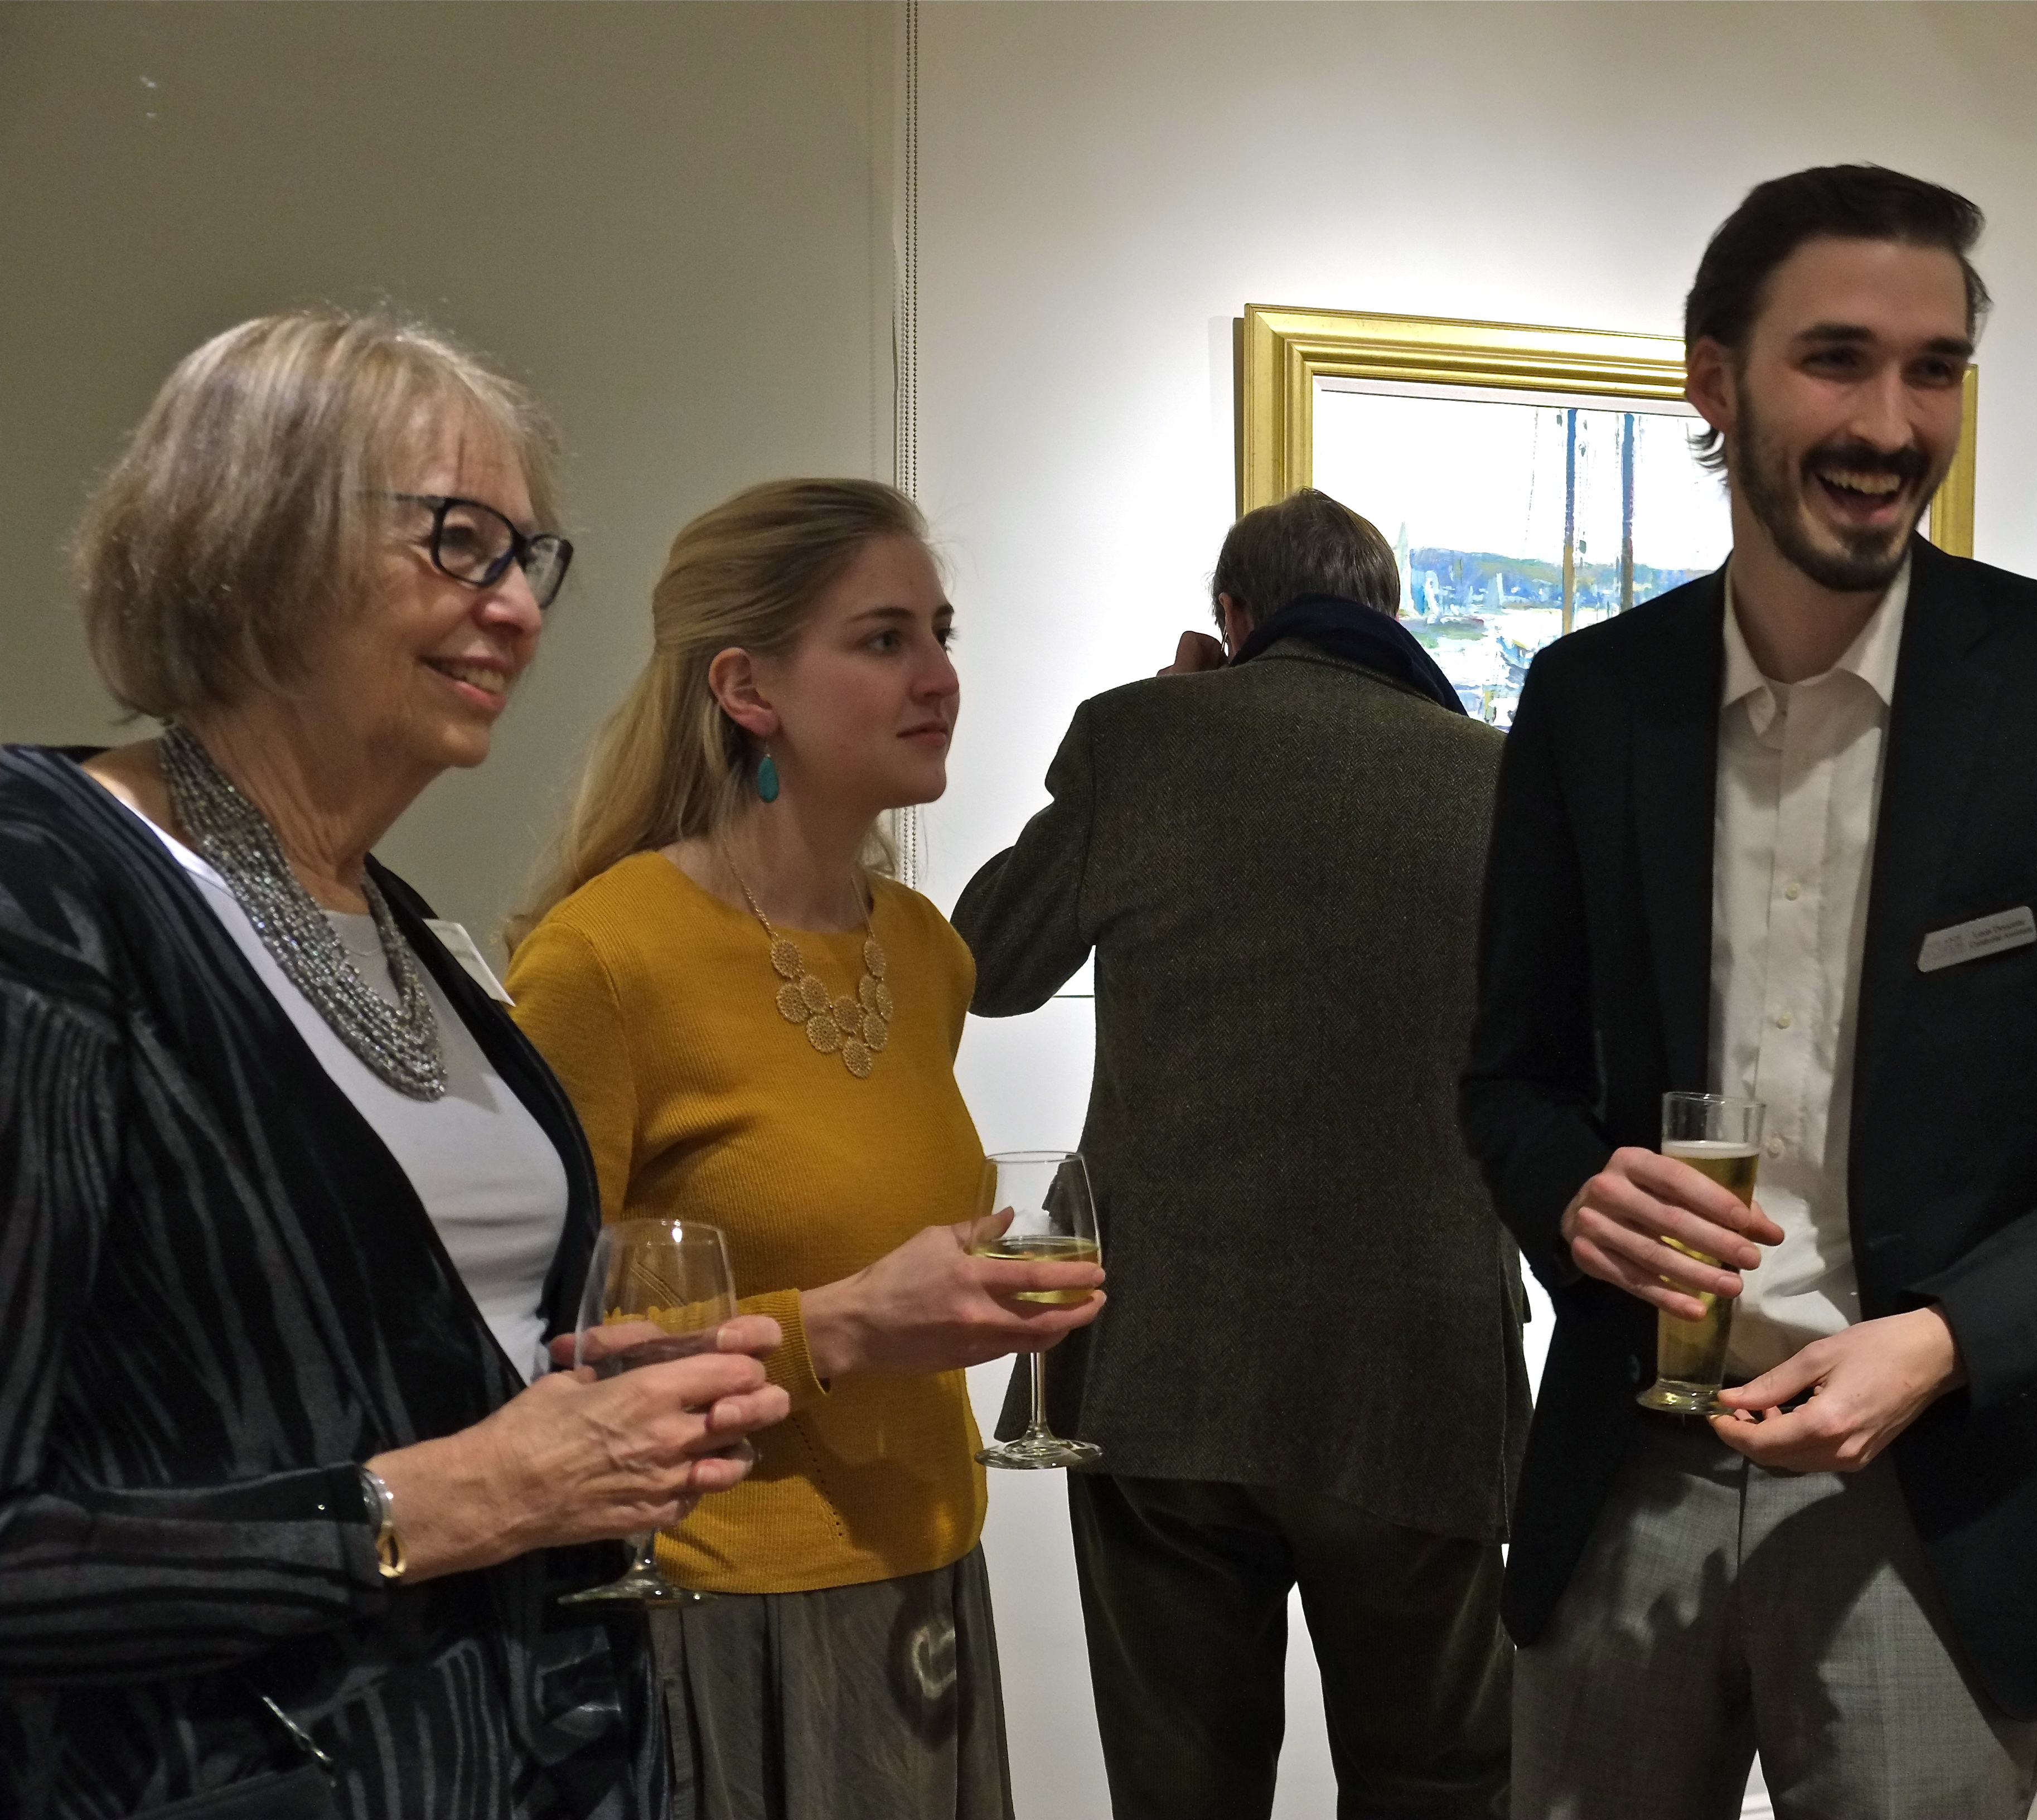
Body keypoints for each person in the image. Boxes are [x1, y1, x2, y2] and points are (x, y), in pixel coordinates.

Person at [1459, 164, 2037, 1820]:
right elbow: (1509, 1082)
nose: (1892, 425)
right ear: (1715, 379)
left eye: (1934, 369)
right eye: (1836, 360)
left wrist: (1949, 1340)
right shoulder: (1591, 701)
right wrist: (1573, 1193)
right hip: (1627, 1473)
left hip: (1945, 1504)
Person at [0, 310, 792, 1816]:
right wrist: (455, 1499)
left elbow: (402, 1357)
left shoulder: (408, 928)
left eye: (531, 559)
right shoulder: (47, 892)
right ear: (250, 541)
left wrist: (592, 1408)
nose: (519, 610)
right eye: (458, 543)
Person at [505, 478, 1101, 1820]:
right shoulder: (604, 960)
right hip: (715, 1614)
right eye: (884, 639)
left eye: (941, 633)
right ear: (746, 688)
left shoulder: (926, 950)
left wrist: (958, 1308)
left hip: (927, 1583)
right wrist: (840, 1327)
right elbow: (543, 1355)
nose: (939, 676)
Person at [952, 487, 1523, 1820]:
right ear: (1388, 612)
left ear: (1232, 615)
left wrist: (1164, 717)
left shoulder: (1142, 739)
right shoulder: (1501, 778)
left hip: (1166, 1368)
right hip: (1418, 1366)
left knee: (1182, 1787)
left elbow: (989, 960)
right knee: (1441, 1783)